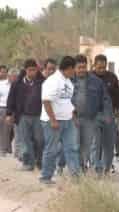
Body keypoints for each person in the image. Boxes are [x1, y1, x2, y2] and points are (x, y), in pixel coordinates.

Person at [40, 56, 80, 184]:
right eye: (74, 69)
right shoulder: (53, 81)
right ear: (68, 68)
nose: (75, 72)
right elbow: (46, 101)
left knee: (72, 148)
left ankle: (75, 177)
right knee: (51, 150)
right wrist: (53, 120)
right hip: (53, 121)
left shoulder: (68, 81)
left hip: (68, 120)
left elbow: (67, 102)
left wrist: (73, 118)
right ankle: (46, 177)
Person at [6, 59, 45, 170]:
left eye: (34, 70)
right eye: (30, 70)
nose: (32, 72)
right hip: (22, 116)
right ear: (25, 70)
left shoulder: (42, 83)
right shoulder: (17, 84)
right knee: (25, 140)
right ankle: (28, 163)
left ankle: (39, 160)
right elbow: (11, 99)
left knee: (40, 140)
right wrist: (9, 114)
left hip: (38, 116)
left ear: (37, 70)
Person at [71, 54, 105, 172]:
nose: (82, 70)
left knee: (87, 145)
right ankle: (76, 168)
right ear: (74, 68)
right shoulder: (69, 80)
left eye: (84, 67)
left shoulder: (96, 82)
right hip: (73, 118)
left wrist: (99, 115)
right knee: (75, 144)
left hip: (90, 118)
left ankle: (83, 167)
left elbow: (102, 100)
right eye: (79, 67)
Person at [92, 55, 119, 174]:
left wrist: (116, 110)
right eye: (99, 67)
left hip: (109, 114)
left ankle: (106, 169)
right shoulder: (88, 77)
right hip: (93, 114)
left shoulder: (112, 77)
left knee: (109, 144)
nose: (102, 70)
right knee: (95, 143)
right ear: (94, 65)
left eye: (104, 67)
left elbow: (117, 95)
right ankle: (97, 168)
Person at [0, 65, 12, 157]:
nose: (3, 73)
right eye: (1, 71)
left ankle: (3, 150)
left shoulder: (9, 83)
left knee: (5, 130)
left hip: (5, 108)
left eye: (4, 71)